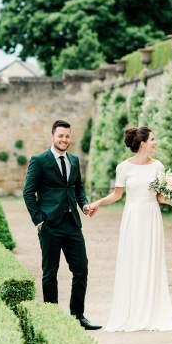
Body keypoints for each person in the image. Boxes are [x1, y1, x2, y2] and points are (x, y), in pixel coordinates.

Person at [88, 125, 172, 332]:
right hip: (133, 217)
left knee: (151, 260)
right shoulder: (123, 168)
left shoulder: (158, 167)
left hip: (151, 216)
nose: (156, 142)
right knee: (133, 260)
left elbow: (160, 197)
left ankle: (152, 312)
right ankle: (131, 311)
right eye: (153, 139)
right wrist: (97, 203)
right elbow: (117, 195)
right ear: (143, 143)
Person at [23, 119, 101, 330]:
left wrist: (84, 205)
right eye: (60, 136)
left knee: (81, 270)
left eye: (67, 136)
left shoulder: (74, 160)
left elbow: (78, 189)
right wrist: (38, 219)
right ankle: (52, 318)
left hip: (72, 224)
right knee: (50, 272)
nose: (64, 139)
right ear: (53, 136)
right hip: (50, 225)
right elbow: (28, 192)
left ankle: (78, 316)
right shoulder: (39, 160)